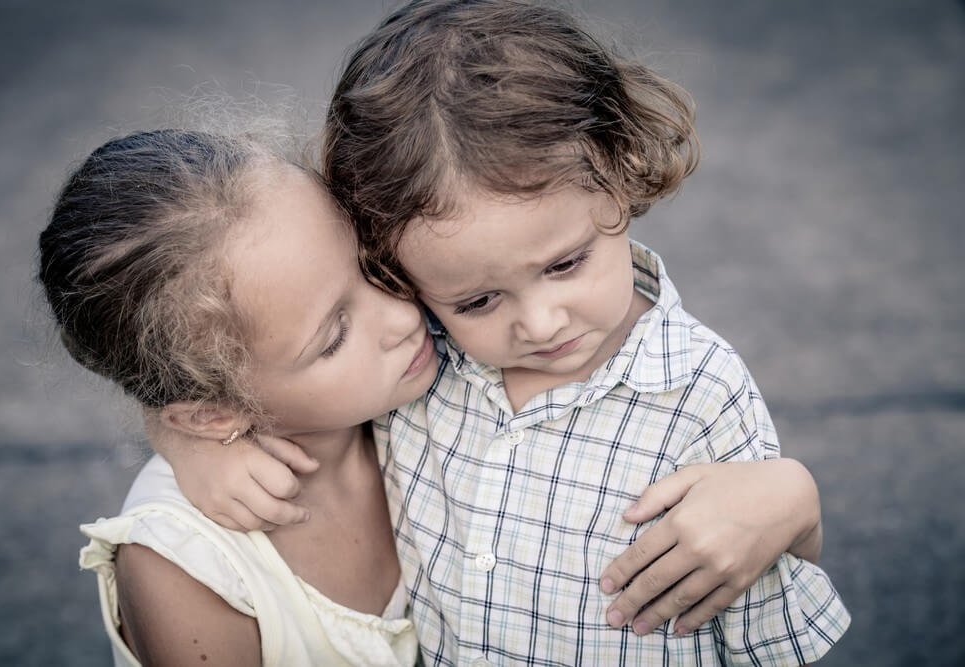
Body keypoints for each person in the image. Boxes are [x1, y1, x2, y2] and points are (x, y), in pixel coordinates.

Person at [158, 1, 850, 664]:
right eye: (480, 299)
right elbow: (244, 376)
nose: (541, 323)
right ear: (399, 271)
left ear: (619, 169)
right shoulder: (420, 355)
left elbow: (770, 619)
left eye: (566, 263)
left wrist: (791, 499)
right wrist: (185, 443)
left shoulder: (700, 389)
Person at [39, 128, 436, 665]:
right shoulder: (188, 569)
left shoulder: (420, 380)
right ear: (211, 413)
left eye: (371, 262)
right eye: (335, 337)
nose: (406, 315)